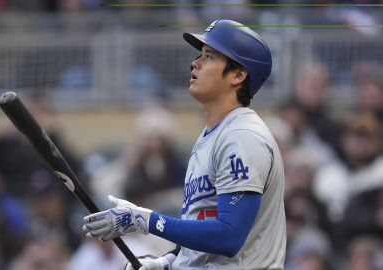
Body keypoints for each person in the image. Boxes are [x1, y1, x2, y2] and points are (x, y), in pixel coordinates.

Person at [82, 19, 286, 269]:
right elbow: (203, 225)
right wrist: (168, 261)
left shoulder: (242, 137)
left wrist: (146, 220)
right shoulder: (211, 136)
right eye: (200, 55)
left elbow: (229, 236)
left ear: (238, 75)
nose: (195, 63)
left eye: (209, 57)